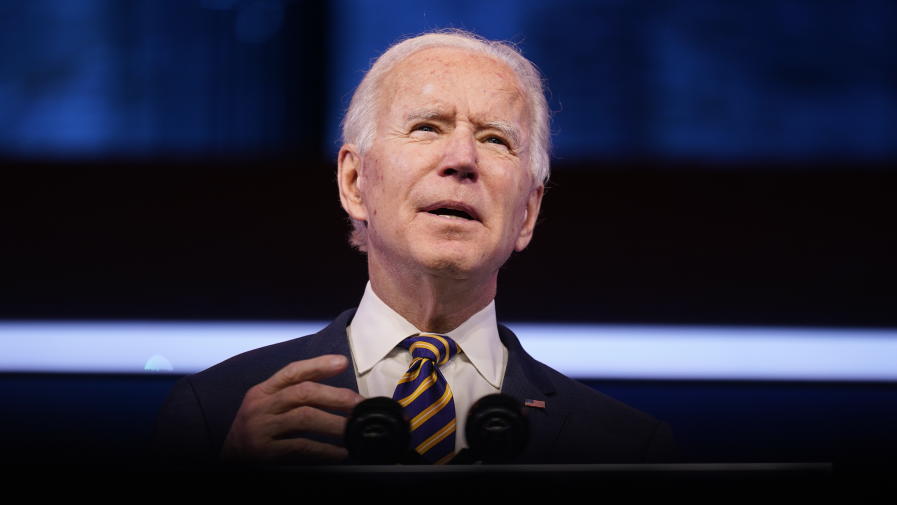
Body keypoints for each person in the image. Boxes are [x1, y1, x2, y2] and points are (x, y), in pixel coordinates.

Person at [155, 29, 674, 465]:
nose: (462, 159)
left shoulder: (623, 448)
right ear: (355, 183)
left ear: (528, 212)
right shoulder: (214, 414)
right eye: (427, 127)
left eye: (496, 139)